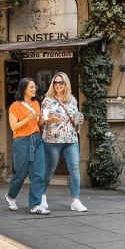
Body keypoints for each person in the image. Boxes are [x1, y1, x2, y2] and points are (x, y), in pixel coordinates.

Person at [40, 72, 87, 212]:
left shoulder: (72, 100)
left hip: (71, 139)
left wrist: (79, 121)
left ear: (66, 84)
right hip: (52, 140)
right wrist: (49, 120)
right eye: (55, 82)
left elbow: (75, 120)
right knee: (49, 170)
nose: (58, 85)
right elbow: (41, 121)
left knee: (74, 169)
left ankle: (75, 200)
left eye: (61, 82)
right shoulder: (47, 100)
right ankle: (41, 197)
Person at [4, 78, 49, 215]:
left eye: (35, 87)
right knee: (21, 173)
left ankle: (35, 205)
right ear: (24, 89)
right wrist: (28, 118)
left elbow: (37, 124)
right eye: (31, 87)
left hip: (36, 140)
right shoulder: (15, 106)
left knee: (38, 173)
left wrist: (44, 120)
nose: (34, 89)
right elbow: (14, 127)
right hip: (21, 141)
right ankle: (10, 196)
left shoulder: (36, 104)